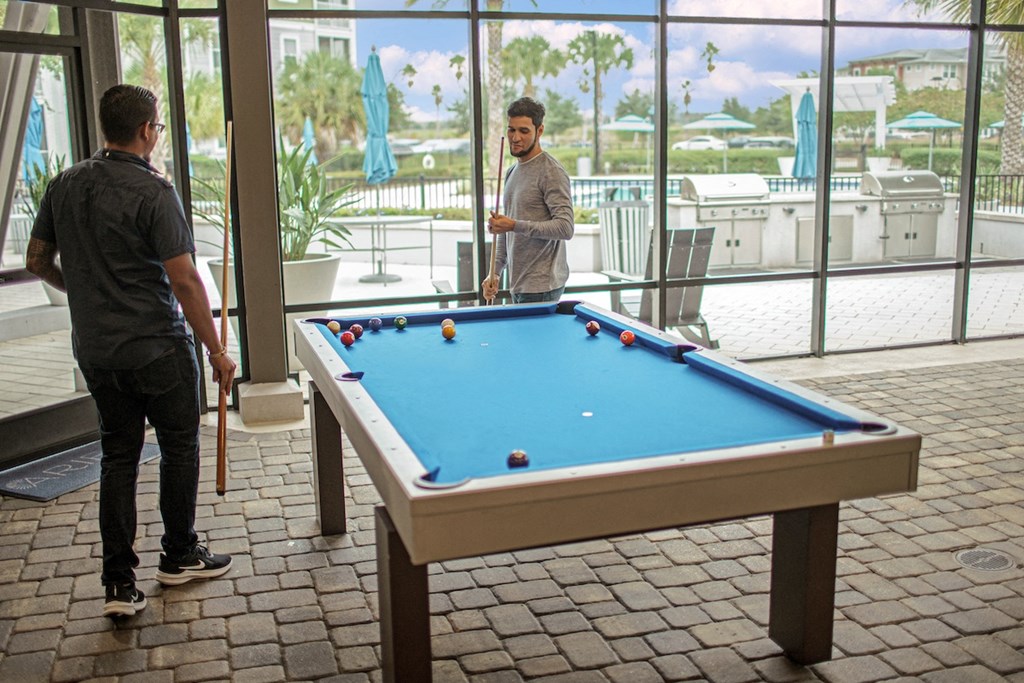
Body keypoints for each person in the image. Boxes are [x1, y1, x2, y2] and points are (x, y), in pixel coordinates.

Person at [26, 84, 237, 618]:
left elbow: (36, 260)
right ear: (146, 130)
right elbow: (186, 281)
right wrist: (216, 351)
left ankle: (118, 585)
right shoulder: (154, 192)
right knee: (178, 448)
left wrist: (85, 290)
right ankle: (179, 554)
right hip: (157, 348)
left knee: (118, 457)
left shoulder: (64, 184)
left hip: (98, 352)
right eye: (159, 127)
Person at [483, 96, 574, 304]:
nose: (515, 137)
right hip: (518, 284)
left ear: (539, 131)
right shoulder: (511, 172)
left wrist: (514, 225)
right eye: (511, 130)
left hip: (542, 287)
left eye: (524, 131)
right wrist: (495, 272)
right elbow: (504, 233)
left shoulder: (551, 172)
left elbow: (565, 228)